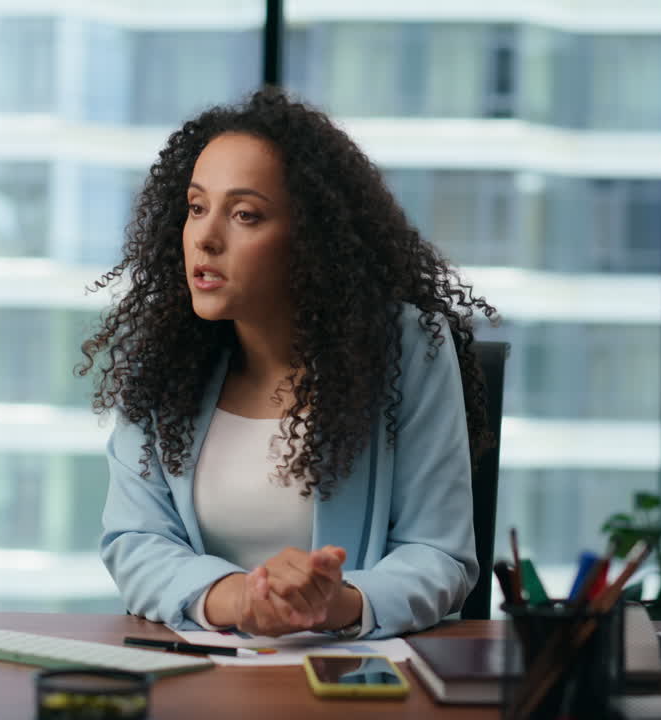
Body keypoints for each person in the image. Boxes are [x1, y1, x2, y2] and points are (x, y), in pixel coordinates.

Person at [79, 88, 497, 639]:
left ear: (311, 239)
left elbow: (439, 556)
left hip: (350, 681)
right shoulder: (165, 359)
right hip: (204, 673)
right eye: (196, 207)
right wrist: (236, 599)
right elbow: (134, 541)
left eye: (245, 214)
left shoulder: (408, 348)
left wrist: (337, 603)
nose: (204, 238)